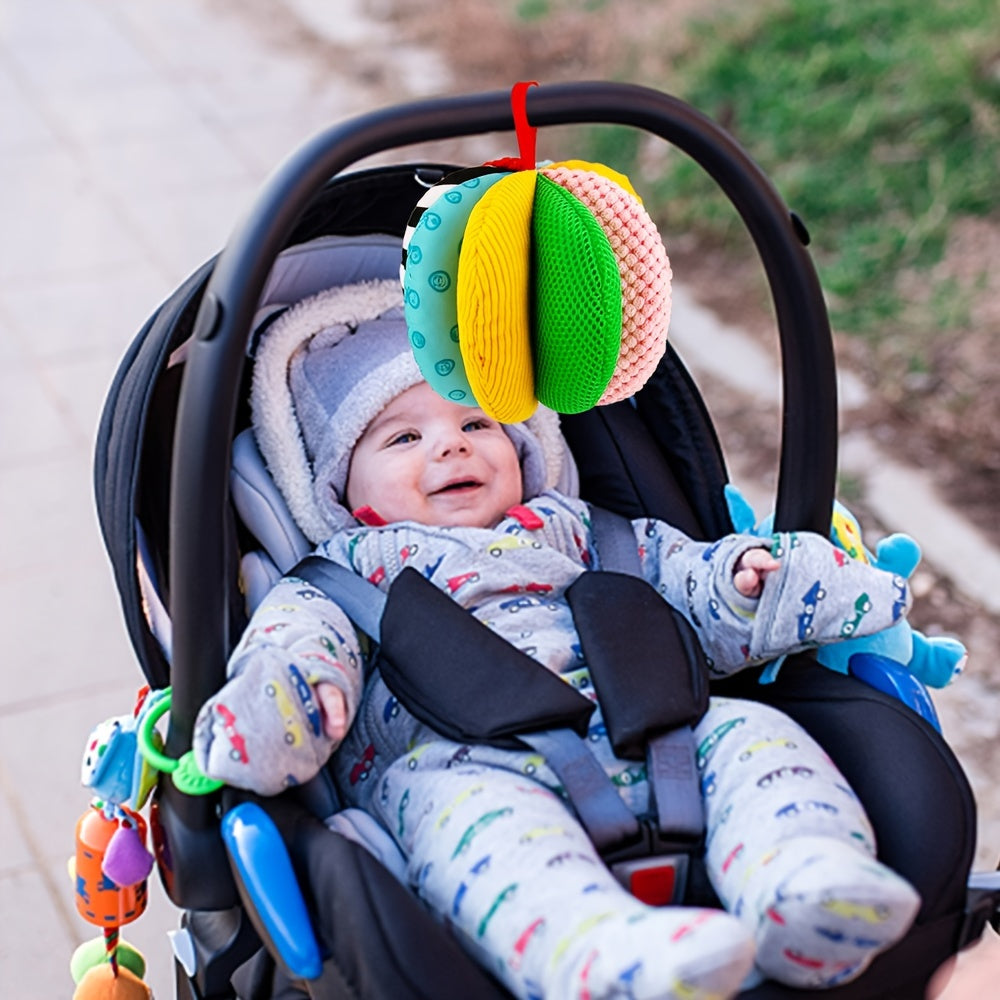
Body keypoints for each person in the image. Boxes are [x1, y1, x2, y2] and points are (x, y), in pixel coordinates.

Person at [193, 282, 920, 1000]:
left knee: (755, 734)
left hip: (660, 734)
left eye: (477, 425)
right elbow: (294, 643)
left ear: (522, 448)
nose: (451, 445)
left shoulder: (581, 533)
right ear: (342, 490)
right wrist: (296, 693)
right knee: (473, 829)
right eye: (405, 437)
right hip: (464, 766)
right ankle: (602, 957)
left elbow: (679, 579)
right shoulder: (344, 576)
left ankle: (803, 885)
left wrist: (740, 583)